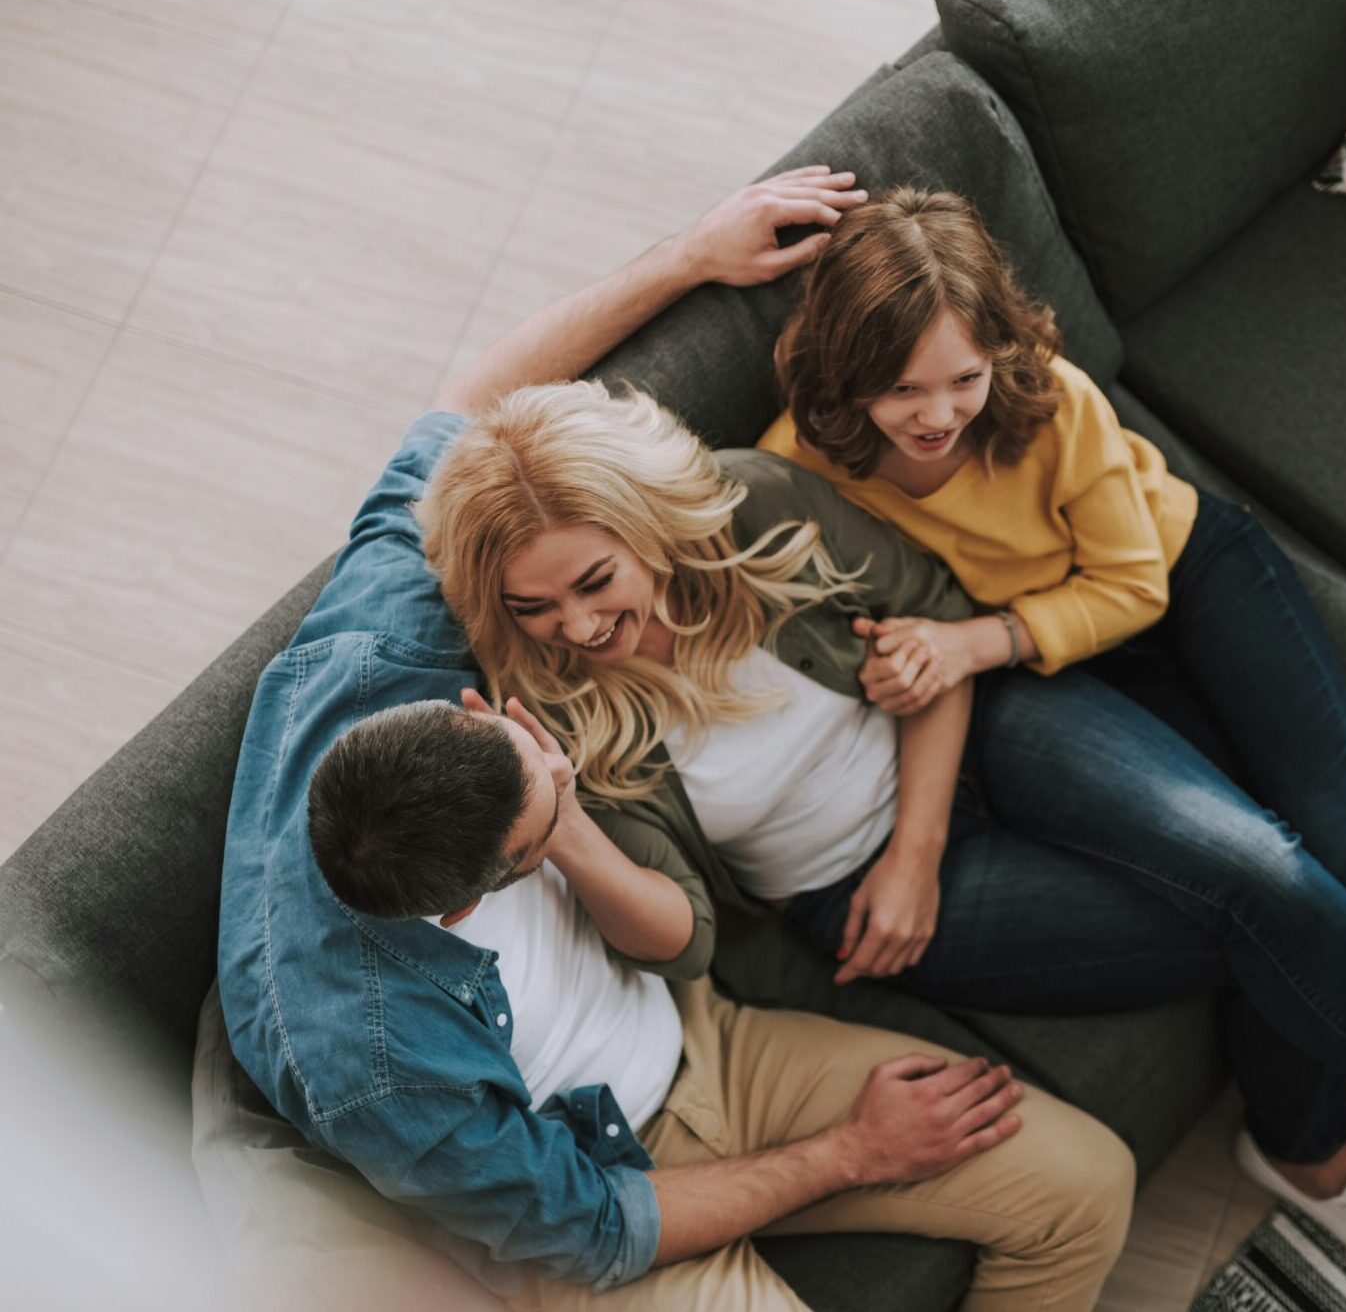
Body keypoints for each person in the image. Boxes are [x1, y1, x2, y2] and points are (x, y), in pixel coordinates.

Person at [420, 225, 1346, 1312]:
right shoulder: (559, 717)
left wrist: (916, 837)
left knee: (1265, 865)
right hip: (861, 896)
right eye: (536, 609)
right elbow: (683, 933)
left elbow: (935, 612)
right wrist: (872, 872)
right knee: (1255, 920)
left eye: (598, 582)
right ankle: (1311, 1154)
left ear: (649, 530)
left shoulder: (749, 505)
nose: (580, 626)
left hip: (980, 734)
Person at [216, 167, 1137, 1312]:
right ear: (473, 899)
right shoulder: (374, 1066)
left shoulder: (382, 650)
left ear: (453, 711)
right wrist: (852, 1153)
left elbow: (463, 414)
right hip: (594, 1176)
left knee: (1085, 1183)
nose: (560, 707)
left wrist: (687, 257)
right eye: (544, 809)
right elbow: (594, 1231)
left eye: (523, 743)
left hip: (700, 1041)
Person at [756, 187, 1346, 1312]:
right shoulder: (798, 468)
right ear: (847, 377)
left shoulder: (1048, 403)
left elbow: (1128, 583)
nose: (936, 414)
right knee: (1271, 857)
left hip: (1173, 580)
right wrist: (928, 662)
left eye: (962, 377)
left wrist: (971, 638)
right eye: (901, 390)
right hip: (1039, 676)